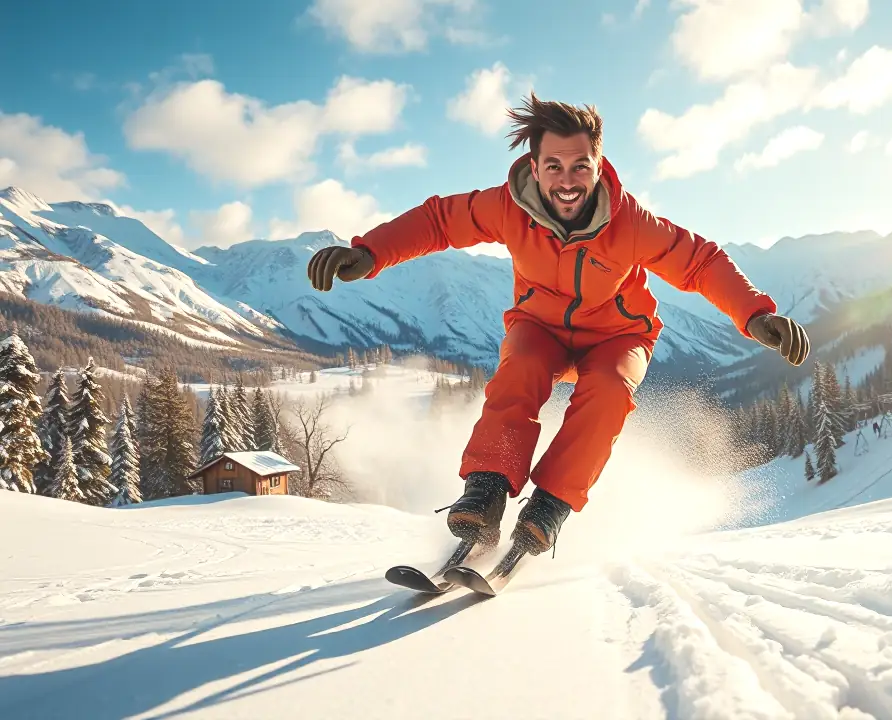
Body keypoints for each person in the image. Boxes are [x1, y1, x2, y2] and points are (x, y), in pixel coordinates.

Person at [305, 94, 810, 557]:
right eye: (554, 166)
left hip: (618, 335)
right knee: (519, 370)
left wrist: (755, 314)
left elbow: (699, 262)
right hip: (540, 328)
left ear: (597, 165)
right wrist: (369, 252)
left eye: (579, 166)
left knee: (610, 392)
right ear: (534, 166)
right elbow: (439, 221)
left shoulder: (629, 222)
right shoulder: (507, 207)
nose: (567, 180)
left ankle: (549, 506)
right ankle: (485, 490)